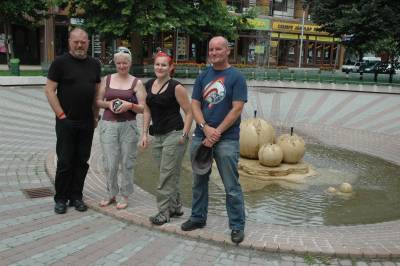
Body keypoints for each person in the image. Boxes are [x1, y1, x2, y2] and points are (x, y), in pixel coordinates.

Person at [180, 36, 247, 244]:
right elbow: (195, 105)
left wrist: (216, 132)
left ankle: (237, 225)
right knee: (199, 181)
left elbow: (237, 109)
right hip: (202, 135)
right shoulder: (203, 76)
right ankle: (198, 217)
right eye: (211, 49)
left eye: (219, 49)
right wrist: (204, 128)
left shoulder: (236, 77)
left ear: (228, 51)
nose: (214, 52)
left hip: (227, 139)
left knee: (231, 186)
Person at [44, 28, 101, 214]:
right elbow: (49, 90)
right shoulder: (60, 63)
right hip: (66, 121)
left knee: (82, 161)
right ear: (69, 42)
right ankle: (60, 198)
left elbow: (97, 92)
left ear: (88, 43)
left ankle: (76, 196)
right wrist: (61, 115)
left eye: (83, 42)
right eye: (76, 41)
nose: (79, 45)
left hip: (86, 122)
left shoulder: (94, 64)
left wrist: (95, 115)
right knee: (65, 161)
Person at [140, 51, 193, 225]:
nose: (160, 67)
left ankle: (163, 212)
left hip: (175, 135)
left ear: (170, 68)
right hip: (158, 136)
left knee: (165, 176)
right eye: (157, 64)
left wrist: (185, 134)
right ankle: (176, 206)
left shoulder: (176, 87)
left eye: (164, 65)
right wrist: (144, 133)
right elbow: (147, 110)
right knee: (170, 174)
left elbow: (189, 112)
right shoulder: (148, 85)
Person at [96, 47, 146, 209]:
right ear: (115, 64)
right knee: (110, 163)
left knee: (127, 162)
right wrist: (108, 104)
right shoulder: (108, 79)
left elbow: (142, 108)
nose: (122, 66)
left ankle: (125, 195)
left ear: (130, 63)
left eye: (125, 63)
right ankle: (111, 193)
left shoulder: (136, 83)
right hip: (109, 125)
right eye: (119, 63)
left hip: (128, 127)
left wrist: (129, 105)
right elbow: (98, 101)